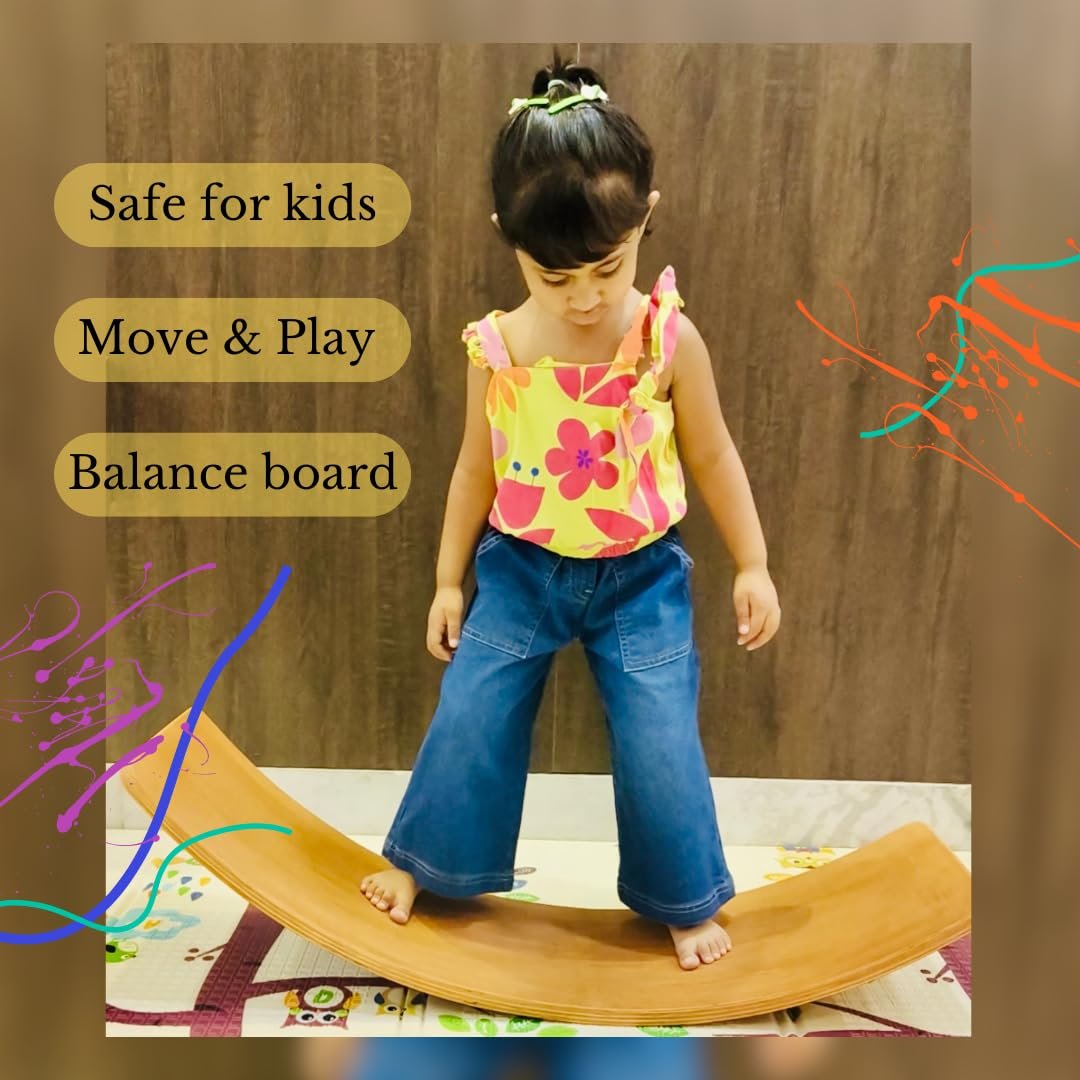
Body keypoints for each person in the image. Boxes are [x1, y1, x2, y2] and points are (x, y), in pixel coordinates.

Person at [361, 49, 781, 972]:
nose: (586, 297)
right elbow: (474, 468)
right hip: (520, 569)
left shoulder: (667, 336)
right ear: (507, 239)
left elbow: (713, 453)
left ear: (645, 219)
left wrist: (752, 562)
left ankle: (683, 900)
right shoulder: (498, 347)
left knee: (660, 735)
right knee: (473, 712)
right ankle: (425, 865)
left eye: (607, 266)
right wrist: (447, 580)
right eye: (556, 278)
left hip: (642, 579)